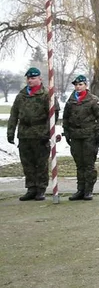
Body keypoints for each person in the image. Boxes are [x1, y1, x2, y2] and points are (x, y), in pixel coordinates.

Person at [6, 67, 56, 201]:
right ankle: (31, 188)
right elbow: (14, 115)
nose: (30, 80)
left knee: (41, 163)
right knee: (27, 163)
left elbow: (52, 115)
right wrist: (11, 132)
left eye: (33, 78)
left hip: (40, 134)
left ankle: (41, 189)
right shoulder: (21, 96)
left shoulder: (46, 95)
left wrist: (47, 132)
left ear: (40, 79)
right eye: (28, 78)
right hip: (24, 134)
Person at [61, 74, 99, 201]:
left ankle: (88, 190)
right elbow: (65, 117)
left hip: (89, 136)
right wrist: (67, 132)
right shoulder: (71, 101)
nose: (78, 87)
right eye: (76, 85)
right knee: (79, 164)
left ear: (86, 85)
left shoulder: (93, 100)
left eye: (80, 84)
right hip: (75, 136)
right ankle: (80, 189)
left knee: (88, 164)